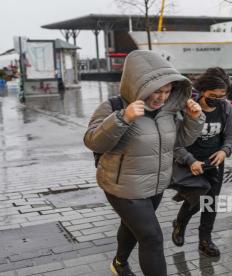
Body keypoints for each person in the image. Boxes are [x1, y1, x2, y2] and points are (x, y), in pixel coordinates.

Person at [83, 50, 205, 276]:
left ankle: (119, 263)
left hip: (155, 185)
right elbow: (92, 141)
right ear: (138, 84)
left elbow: (179, 142)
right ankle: (121, 264)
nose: (162, 97)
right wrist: (122, 119)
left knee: (132, 228)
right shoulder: (112, 106)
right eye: (157, 91)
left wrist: (194, 120)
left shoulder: (168, 111)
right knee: (152, 238)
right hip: (124, 188)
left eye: (168, 91)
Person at [171, 67, 232, 257]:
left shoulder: (228, 110)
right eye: (212, 95)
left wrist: (225, 152)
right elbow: (175, 144)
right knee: (196, 199)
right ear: (202, 91)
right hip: (189, 162)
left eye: (221, 95)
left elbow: (231, 137)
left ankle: (205, 240)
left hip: (215, 163)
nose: (216, 99)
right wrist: (190, 161)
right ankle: (180, 224)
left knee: (211, 202)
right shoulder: (186, 110)